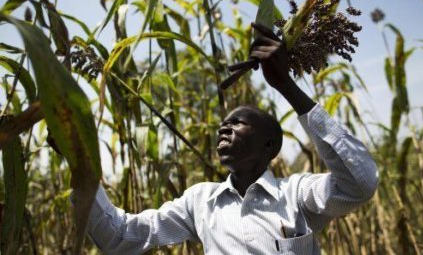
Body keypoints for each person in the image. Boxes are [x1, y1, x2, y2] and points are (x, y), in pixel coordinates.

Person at [85, 23, 378, 254]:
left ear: (269, 145)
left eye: (238, 123)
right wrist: (81, 164)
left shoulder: (296, 194)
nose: (223, 129)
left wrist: (285, 84)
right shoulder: (200, 201)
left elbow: (359, 184)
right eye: (223, 125)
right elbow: (119, 237)